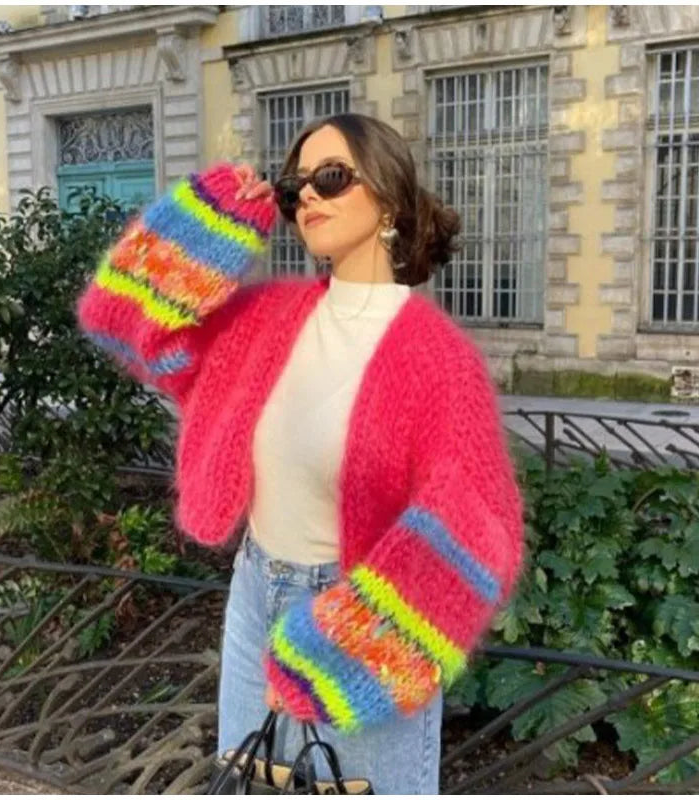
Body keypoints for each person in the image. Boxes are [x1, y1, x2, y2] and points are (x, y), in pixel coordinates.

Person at [76, 112, 525, 794]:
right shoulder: (264, 320)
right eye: (295, 187)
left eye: (332, 178)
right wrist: (213, 215)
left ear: (389, 202)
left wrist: (344, 647)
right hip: (255, 592)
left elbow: (480, 527)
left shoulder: (439, 360)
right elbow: (124, 324)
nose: (308, 196)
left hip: (361, 623)